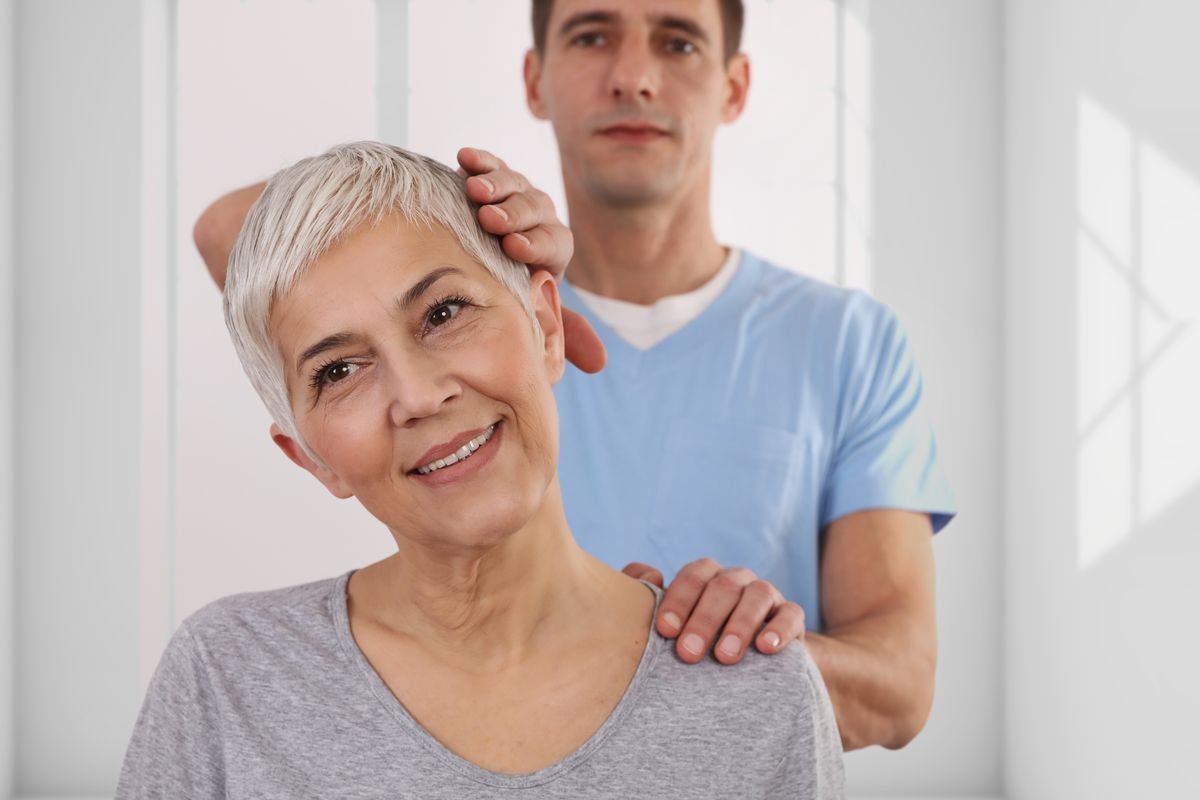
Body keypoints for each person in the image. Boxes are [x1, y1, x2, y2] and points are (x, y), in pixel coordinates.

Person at [195, 0, 955, 751]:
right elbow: (228, 234)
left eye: (679, 42)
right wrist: (462, 206)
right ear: (536, 79)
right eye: (591, 36)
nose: (632, 77)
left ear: (734, 85)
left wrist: (702, 666)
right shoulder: (476, 318)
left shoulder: (847, 341)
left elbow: (899, 689)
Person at [117, 141, 846, 798]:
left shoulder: (756, 693)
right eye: (338, 369)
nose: (417, 395)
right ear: (308, 457)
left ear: (548, 327)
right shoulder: (227, 677)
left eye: (444, 313)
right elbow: (221, 230)